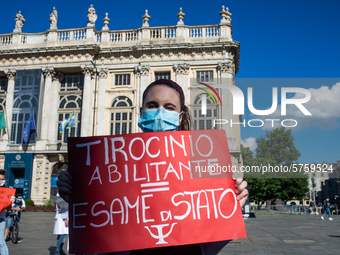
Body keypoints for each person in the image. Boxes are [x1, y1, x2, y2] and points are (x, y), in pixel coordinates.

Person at [58, 79, 249, 255]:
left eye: (169, 107)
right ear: (142, 111)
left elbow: (208, 242)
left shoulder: (202, 160)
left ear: (180, 117)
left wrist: (231, 207)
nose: (160, 112)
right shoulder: (116, 166)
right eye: (152, 105)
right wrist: (77, 197)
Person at [0, 169, 9, 255]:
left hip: (1, 218)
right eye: (0, 180)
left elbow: (9, 208)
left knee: (1, 242)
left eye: (3, 179)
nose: (1, 181)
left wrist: (10, 201)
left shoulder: (6, 191)